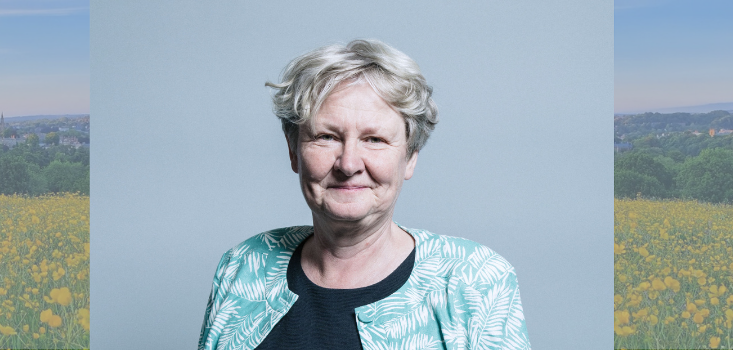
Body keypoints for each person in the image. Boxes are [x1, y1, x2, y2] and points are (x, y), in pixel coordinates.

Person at [198, 39, 531, 350]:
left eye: (375, 139)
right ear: (293, 151)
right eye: (326, 136)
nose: (348, 164)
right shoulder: (243, 266)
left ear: (410, 157)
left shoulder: (474, 280)